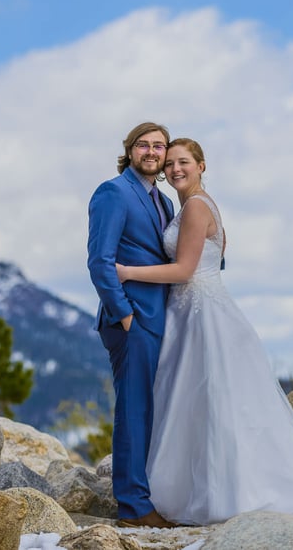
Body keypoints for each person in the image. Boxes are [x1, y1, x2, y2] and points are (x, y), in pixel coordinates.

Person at [116, 138, 293, 526]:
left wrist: (127, 272)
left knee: (209, 403)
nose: (174, 169)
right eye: (169, 164)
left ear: (202, 165)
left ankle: (222, 495)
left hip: (202, 315)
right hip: (201, 308)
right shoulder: (197, 206)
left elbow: (186, 270)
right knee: (211, 404)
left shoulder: (195, 208)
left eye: (183, 162)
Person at [86, 122, 177, 529]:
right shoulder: (113, 192)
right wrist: (124, 314)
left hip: (161, 318)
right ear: (130, 150)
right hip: (132, 320)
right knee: (134, 409)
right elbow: (100, 261)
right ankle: (134, 507)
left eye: (159, 146)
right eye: (144, 145)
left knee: (153, 409)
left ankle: (148, 493)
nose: (152, 152)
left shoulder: (165, 202)